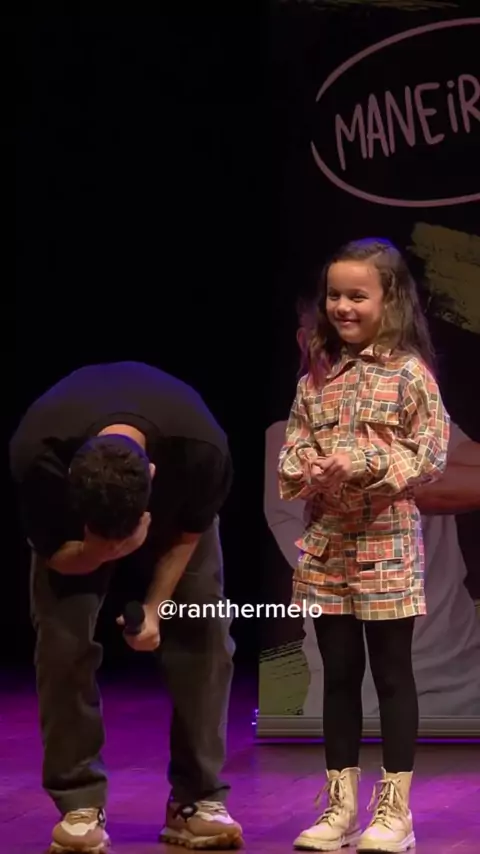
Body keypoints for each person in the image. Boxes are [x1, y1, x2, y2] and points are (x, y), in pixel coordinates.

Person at [9, 361, 243, 854]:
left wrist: (155, 607)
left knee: (205, 633)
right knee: (61, 644)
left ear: (152, 475)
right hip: (76, 535)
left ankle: (196, 800)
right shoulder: (39, 455)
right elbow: (53, 554)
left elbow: (190, 533)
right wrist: (96, 551)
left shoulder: (200, 448)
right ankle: (79, 802)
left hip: (177, 520)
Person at [277, 238, 450, 853]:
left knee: (392, 674)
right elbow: (293, 447)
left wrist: (365, 461)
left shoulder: (409, 375)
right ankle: (339, 807)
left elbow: (430, 454)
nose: (343, 307)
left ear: (389, 300)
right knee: (339, 675)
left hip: (386, 544)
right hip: (328, 547)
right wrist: (311, 466)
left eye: (357, 295)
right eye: (334, 295)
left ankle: (396, 813)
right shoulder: (316, 378)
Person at [264, 298, 480, 722]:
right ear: (307, 342)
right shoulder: (285, 442)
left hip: (465, 691)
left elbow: (464, 459)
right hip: (364, 705)